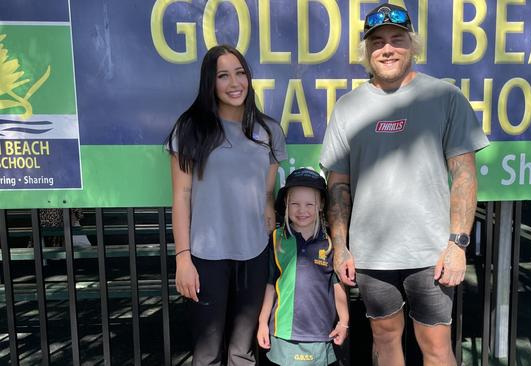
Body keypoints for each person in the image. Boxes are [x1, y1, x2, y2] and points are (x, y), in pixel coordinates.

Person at [319, 4, 489, 366]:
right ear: (367, 52)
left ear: (412, 45)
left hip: (432, 253)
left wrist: (458, 244)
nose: (387, 48)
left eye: (397, 39)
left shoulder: (445, 98)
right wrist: (340, 247)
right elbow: (338, 185)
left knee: (437, 347)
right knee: (384, 339)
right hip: (371, 254)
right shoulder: (348, 108)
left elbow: (464, 174)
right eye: (377, 42)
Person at [165, 45, 287, 365]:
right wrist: (183, 259)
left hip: (255, 254)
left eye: (240, 73)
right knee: (207, 353)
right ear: (210, 83)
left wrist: (272, 252)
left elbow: (266, 196)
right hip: (206, 256)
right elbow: (181, 197)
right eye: (223, 76)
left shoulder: (269, 130)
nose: (235, 83)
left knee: (243, 352)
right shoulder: (190, 128)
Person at [257, 168, 349, 366]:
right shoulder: (277, 240)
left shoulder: (331, 243)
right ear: (286, 205)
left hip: (321, 333)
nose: (302, 210)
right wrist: (263, 323)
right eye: (295, 204)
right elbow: (270, 285)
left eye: (309, 204)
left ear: (321, 205)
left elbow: (337, 286)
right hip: (283, 333)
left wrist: (344, 321)